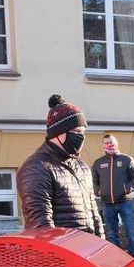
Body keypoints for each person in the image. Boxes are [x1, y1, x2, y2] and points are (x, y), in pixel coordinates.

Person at [17, 94, 105, 234]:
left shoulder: (81, 166)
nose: (81, 137)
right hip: (62, 253)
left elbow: (94, 215)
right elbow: (42, 227)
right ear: (58, 132)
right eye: (76, 131)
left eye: (83, 132)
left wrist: (101, 247)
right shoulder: (36, 168)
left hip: (86, 251)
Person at [92, 132, 134, 255]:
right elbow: (93, 181)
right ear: (103, 146)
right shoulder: (98, 163)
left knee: (131, 231)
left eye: (111, 142)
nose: (109, 145)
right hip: (107, 204)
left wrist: (126, 189)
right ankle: (116, 257)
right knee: (111, 233)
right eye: (106, 143)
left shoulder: (127, 160)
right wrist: (98, 191)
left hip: (125, 202)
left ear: (116, 144)